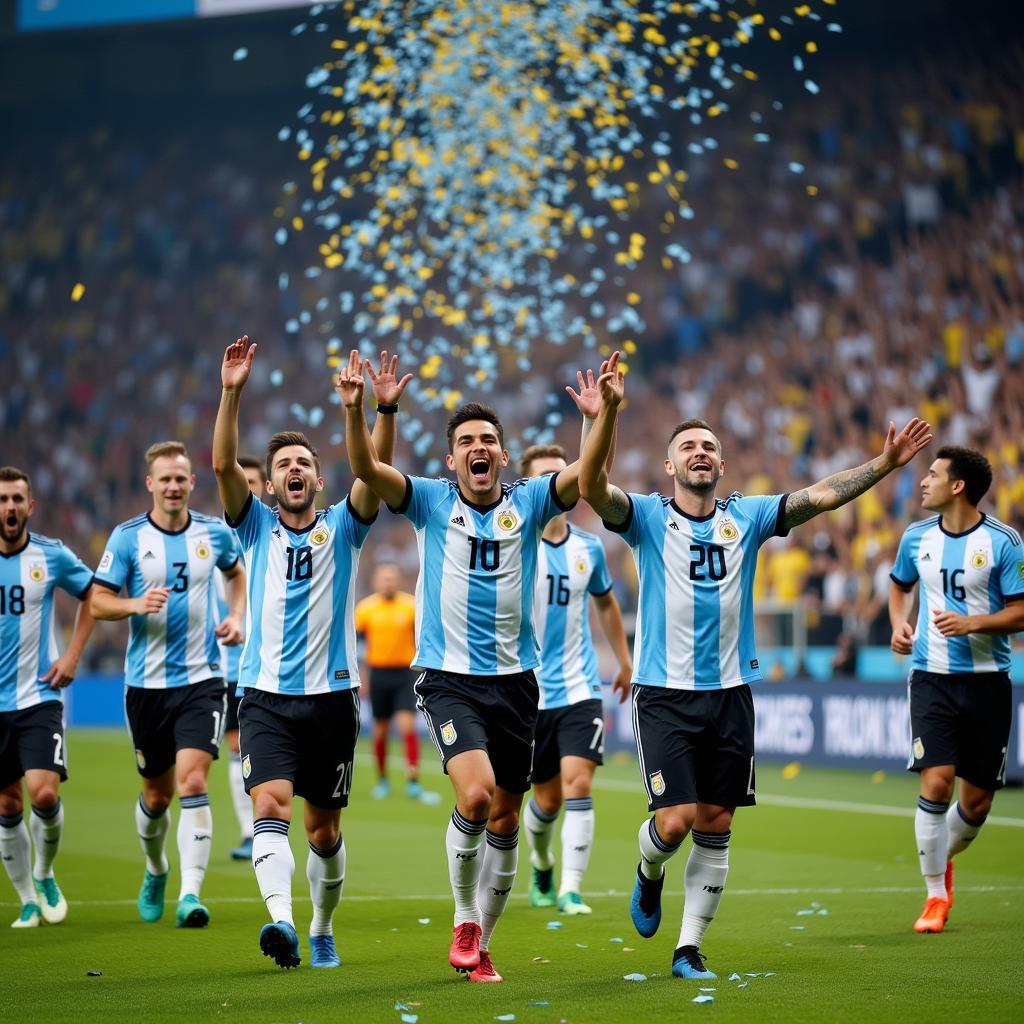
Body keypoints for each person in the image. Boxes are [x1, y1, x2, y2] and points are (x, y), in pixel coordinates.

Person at [577, 357, 932, 981]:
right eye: (688, 446)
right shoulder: (648, 519)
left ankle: (688, 949)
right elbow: (592, 488)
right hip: (663, 693)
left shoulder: (749, 516)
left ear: (722, 463)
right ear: (670, 465)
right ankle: (648, 870)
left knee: (716, 824)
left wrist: (883, 466)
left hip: (732, 695)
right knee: (674, 821)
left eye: (709, 446)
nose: (701, 452)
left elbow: (822, 496)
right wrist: (603, 416)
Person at [339, 352, 611, 983]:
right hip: (447, 679)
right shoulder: (431, 502)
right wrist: (369, 408)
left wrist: (599, 419)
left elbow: (590, 476)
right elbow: (364, 468)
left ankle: (482, 943)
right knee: (478, 795)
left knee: (509, 819)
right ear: (451, 459)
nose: (479, 448)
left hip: (518, 684)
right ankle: (464, 916)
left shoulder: (534, 503)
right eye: (466, 442)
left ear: (504, 457)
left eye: (489, 440)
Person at [213, 338, 410, 970]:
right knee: (269, 805)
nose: (295, 469)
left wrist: (375, 412)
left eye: (305, 462)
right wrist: (232, 391)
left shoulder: (344, 526)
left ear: (319, 479)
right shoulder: (254, 528)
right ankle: (283, 922)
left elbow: (376, 477)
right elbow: (221, 469)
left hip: (330, 701)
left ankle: (322, 925)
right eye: (284, 464)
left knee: (324, 830)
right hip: (266, 697)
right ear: (269, 483)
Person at [92, 441, 246, 929]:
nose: (174, 486)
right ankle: (157, 868)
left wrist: (237, 615)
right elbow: (98, 602)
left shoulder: (213, 534)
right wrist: (135, 605)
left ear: (191, 483)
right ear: (150, 484)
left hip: (203, 679)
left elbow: (237, 574)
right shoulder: (127, 538)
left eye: (182, 478)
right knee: (156, 796)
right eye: (166, 479)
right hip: (145, 686)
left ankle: (190, 894)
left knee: (194, 781)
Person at [889, 446, 1024, 934]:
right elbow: (899, 585)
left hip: (989, 683)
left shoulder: (1004, 542)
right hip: (931, 678)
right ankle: (934, 896)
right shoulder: (915, 538)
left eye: (933, 473)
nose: (922, 481)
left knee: (977, 803)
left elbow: (1021, 610)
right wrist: (898, 624)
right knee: (936, 780)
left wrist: (975, 623)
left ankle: (941, 858)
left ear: (958, 485)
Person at [518, 444, 632, 915]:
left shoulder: (589, 547)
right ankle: (542, 861)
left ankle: (570, 888)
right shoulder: (513, 542)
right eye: (542, 477)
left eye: (558, 475)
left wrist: (624, 660)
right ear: (527, 487)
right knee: (544, 801)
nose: (552, 484)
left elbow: (604, 602)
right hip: (525, 691)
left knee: (578, 785)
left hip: (580, 686)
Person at [0, 466, 96, 928]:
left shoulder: (50, 555)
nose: (10, 507)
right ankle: (26, 900)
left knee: (42, 792)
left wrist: (73, 656)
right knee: (7, 804)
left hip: (39, 694)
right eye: (3, 499)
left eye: (18, 498)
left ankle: (43, 871)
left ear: (30, 506)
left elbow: (93, 595)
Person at [355, 563, 440, 805]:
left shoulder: (411, 606)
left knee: (407, 727)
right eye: (384, 578)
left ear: (399, 580)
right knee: (380, 731)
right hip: (379, 674)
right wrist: (363, 675)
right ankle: (382, 781)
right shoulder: (365, 609)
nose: (388, 582)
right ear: (375, 581)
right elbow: (358, 645)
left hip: (405, 675)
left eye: (392, 578)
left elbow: (424, 638)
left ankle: (413, 782)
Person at [220, 455, 268, 861]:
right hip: (229, 663)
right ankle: (250, 830)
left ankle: (268, 826)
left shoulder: (275, 532)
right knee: (238, 748)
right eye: (243, 482)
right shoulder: (218, 541)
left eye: (254, 482)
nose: (247, 489)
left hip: (274, 667)